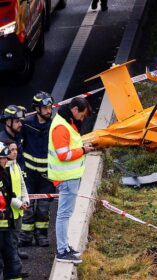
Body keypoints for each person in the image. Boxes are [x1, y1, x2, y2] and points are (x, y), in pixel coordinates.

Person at [48, 97, 94, 264]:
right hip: (66, 178)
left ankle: (65, 247)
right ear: (74, 110)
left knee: (65, 214)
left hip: (69, 177)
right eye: (81, 115)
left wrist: (82, 146)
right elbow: (64, 155)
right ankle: (62, 251)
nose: (82, 119)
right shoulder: (61, 127)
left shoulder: (66, 121)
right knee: (64, 215)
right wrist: (83, 150)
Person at [19, 91, 55, 248]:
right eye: (45, 108)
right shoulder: (26, 125)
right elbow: (18, 147)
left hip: (47, 175)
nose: (49, 110)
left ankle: (41, 235)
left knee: (43, 208)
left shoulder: (54, 126)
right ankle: (26, 236)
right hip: (29, 174)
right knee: (27, 206)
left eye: (50, 107)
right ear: (37, 108)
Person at [0, 141, 22, 279]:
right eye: (2, 158)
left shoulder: (3, 173)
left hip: (6, 225)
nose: (5, 159)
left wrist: (18, 202)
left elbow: (9, 195)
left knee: (12, 260)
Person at [0, 105, 26, 170]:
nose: (20, 124)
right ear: (8, 122)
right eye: (17, 121)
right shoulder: (2, 142)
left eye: (20, 121)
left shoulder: (17, 135)